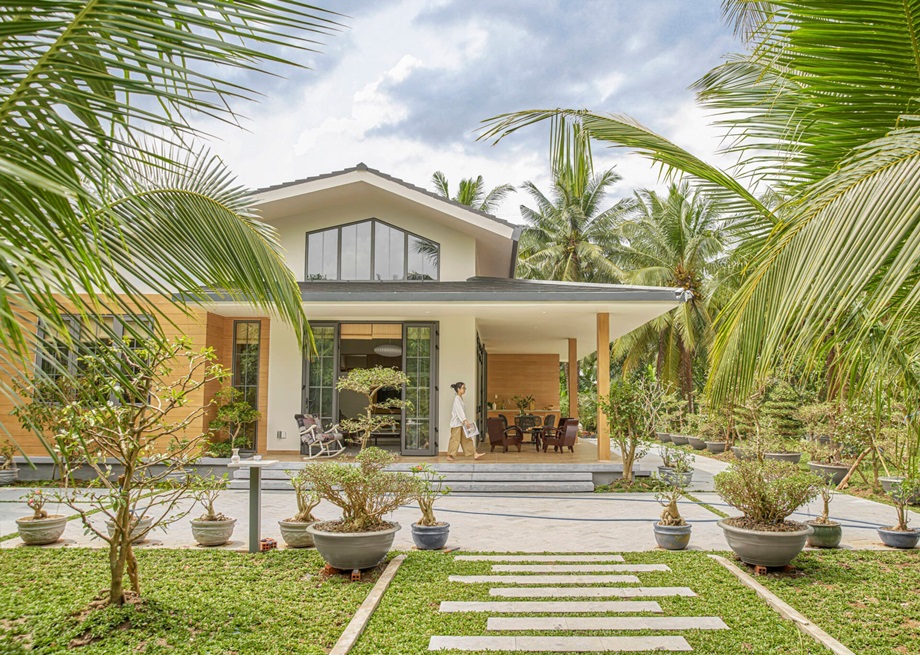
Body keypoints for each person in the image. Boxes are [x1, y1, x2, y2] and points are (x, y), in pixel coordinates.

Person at [448, 381, 483, 462]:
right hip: (457, 424)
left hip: (461, 423)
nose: (464, 389)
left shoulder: (460, 398)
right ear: (458, 389)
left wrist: (464, 421)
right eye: (463, 388)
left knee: (467, 438)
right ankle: (449, 455)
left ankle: (474, 453)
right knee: (455, 440)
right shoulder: (457, 399)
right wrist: (465, 420)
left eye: (465, 388)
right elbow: (459, 411)